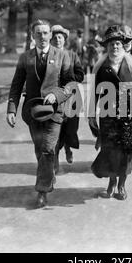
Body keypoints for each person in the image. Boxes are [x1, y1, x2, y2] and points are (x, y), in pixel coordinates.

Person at [6, 19, 74, 208]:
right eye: (38, 33)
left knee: (47, 148)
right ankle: (48, 175)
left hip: (54, 112)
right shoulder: (25, 58)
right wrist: (11, 109)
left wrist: (56, 95)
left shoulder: (62, 56)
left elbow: (70, 85)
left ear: (50, 35)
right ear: (32, 36)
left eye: (45, 33)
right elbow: (16, 85)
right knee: (40, 151)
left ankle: (42, 191)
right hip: (33, 112)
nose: (42, 37)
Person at [88, 25, 132, 200]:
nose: (115, 47)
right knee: (109, 149)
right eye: (111, 44)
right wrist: (91, 115)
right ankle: (111, 183)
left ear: (123, 45)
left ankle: (122, 185)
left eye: (118, 44)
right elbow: (92, 92)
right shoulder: (100, 66)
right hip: (107, 114)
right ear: (107, 46)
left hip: (128, 114)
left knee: (125, 151)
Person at [51, 24, 84, 169]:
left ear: (64, 40)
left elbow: (80, 75)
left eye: (60, 37)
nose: (58, 40)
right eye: (55, 37)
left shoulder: (72, 55)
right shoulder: (49, 56)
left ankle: (68, 148)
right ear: (51, 40)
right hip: (54, 98)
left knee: (70, 128)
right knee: (55, 128)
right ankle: (55, 160)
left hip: (71, 97)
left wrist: (70, 77)